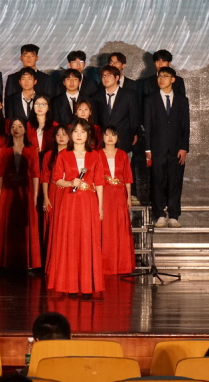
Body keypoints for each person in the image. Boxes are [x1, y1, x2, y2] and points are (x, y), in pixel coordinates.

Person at [47, 119, 105, 296]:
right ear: (71, 134)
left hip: (88, 202)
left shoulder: (95, 155)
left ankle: (87, 285)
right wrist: (70, 182)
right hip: (69, 202)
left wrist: (100, 206)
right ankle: (69, 285)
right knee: (70, 241)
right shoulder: (64, 155)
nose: (79, 135)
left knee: (88, 241)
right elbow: (57, 179)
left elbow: (99, 182)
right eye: (76, 131)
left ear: (88, 135)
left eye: (83, 132)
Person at [144, 66, 190, 228]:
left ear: (173, 79)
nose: (161, 79)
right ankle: (160, 215)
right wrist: (148, 149)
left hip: (177, 149)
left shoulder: (182, 100)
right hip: (157, 149)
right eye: (159, 76)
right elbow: (148, 126)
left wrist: (184, 147)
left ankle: (174, 215)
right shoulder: (150, 99)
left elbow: (185, 125)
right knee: (157, 182)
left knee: (175, 183)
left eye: (165, 76)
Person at [0, 117, 40, 270]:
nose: (16, 129)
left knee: (25, 227)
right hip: (7, 193)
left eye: (20, 126)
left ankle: (28, 263)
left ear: (25, 130)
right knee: (9, 225)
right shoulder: (4, 150)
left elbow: (36, 175)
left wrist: (35, 196)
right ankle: (7, 263)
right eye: (13, 126)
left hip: (26, 192)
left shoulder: (32, 150)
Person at [100, 127, 135, 274]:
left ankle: (122, 265)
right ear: (102, 137)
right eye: (107, 135)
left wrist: (128, 197)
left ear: (117, 138)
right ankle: (104, 265)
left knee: (120, 227)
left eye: (113, 135)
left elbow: (127, 177)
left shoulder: (122, 155)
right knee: (105, 228)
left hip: (120, 195)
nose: (110, 138)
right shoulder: (97, 154)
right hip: (104, 195)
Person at [40, 125, 69, 270]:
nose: (61, 137)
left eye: (64, 134)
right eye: (58, 134)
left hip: (68, 192)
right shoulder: (48, 155)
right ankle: (53, 264)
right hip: (53, 192)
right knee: (53, 225)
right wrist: (45, 197)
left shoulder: (72, 153)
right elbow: (44, 178)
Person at [93, 65, 140, 153]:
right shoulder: (96, 96)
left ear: (117, 77)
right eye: (103, 76)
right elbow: (96, 119)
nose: (105, 78)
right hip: (103, 142)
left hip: (123, 140)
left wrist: (134, 133)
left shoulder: (129, 95)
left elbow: (134, 117)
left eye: (109, 75)